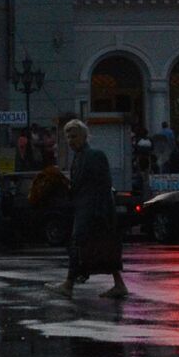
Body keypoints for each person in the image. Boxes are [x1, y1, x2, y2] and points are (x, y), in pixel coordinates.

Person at [50, 119, 132, 300]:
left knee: (80, 244)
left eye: (74, 136)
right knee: (101, 248)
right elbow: (80, 186)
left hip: (95, 210)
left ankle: (69, 284)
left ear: (85, 136)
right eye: (68, 137)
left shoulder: (94, 155)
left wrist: (99, 212)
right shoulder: (79, 158)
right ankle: (118, 284)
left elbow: (102, 186)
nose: (71, 140)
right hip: (87, 209)